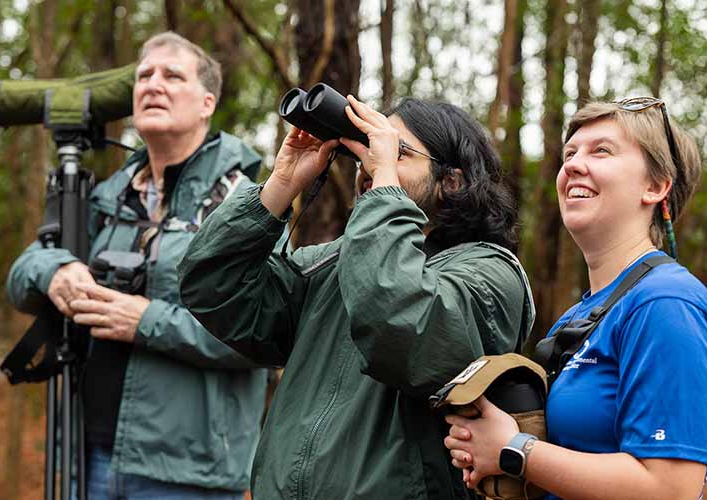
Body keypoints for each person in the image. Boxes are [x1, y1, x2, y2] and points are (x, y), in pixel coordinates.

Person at [178, 95, 534, 500]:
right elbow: (212, 287)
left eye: (396, 152)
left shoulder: (489, 273)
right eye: (367, 149)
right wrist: (282, 183)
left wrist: (385, 188)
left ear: (451, 182)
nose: (369, 163)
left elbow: (401, 326)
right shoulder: (331, 265)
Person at [6, 32, 267, 499]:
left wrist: (147, 321)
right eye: (144, 75)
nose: (153, 84)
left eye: (172, 76)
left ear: (207, 103)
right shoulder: (106, 197)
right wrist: (54, 271)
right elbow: (21, 275)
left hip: (187, 472)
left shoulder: (248, 205)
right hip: (88, 456)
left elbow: (265, 331)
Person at [443, 98, 707, 500]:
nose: (573, 165)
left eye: (601, 151)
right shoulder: (576, 318)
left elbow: (670, 488)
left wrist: (516, 451)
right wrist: (487, 451)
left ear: (655, 186)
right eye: (570, 154)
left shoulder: (667, 304)